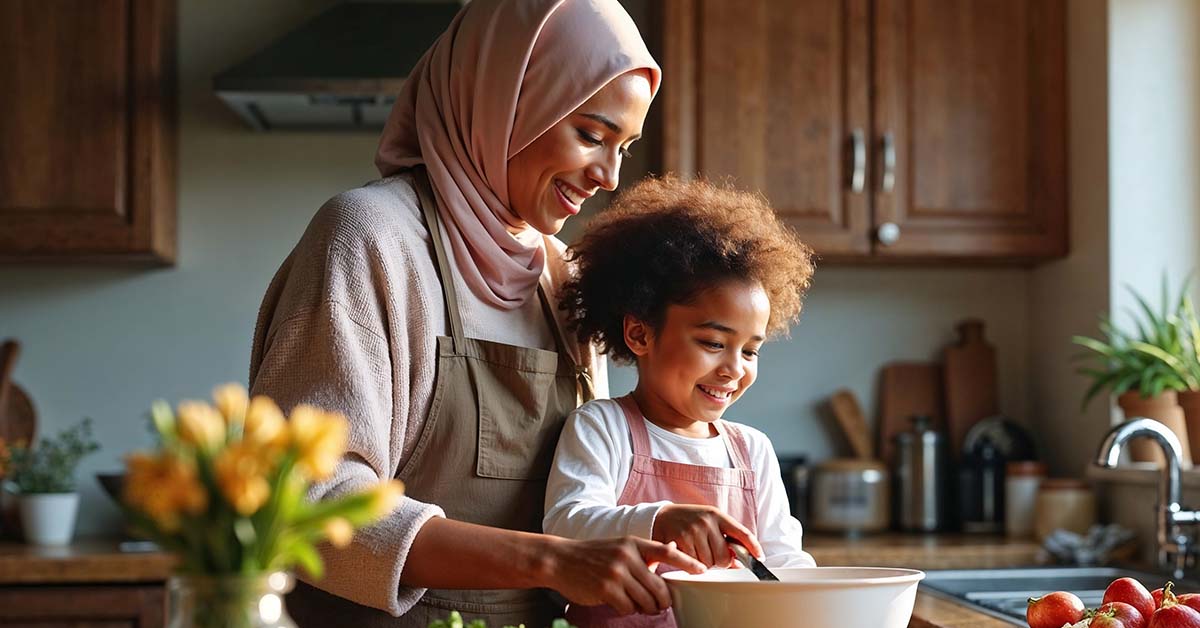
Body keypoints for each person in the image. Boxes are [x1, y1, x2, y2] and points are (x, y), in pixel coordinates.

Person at [247, 2, 705, 626]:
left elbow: (579, 496)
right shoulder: (369, 238)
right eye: (592, 135)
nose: (608, 176)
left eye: (623, 147)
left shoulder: (563, 275)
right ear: (507, 102)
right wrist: (548, 562)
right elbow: (306, 500)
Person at [543, 176, 819, 627]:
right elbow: (566, 528)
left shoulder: (752, 452)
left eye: (750, 350)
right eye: (713, 343)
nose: (735, 368)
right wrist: (661, 519)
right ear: (640, 334)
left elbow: (783, 564)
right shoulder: (602, 428)